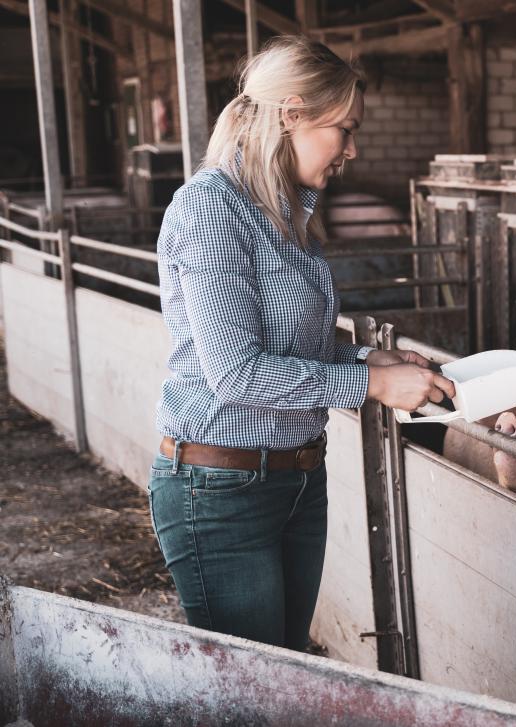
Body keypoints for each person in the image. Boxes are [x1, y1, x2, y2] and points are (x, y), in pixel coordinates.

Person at [147, 36, 454, 650]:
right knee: (250, 695)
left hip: (296, 480)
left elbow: (289, 355)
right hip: (220, 489)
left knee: (285, 671)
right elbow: (235, 373)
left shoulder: (287, 215)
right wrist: (369, 383)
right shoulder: (213, 208)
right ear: (291, 115)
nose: (352, 149)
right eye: (344, 128)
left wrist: (372, 358)